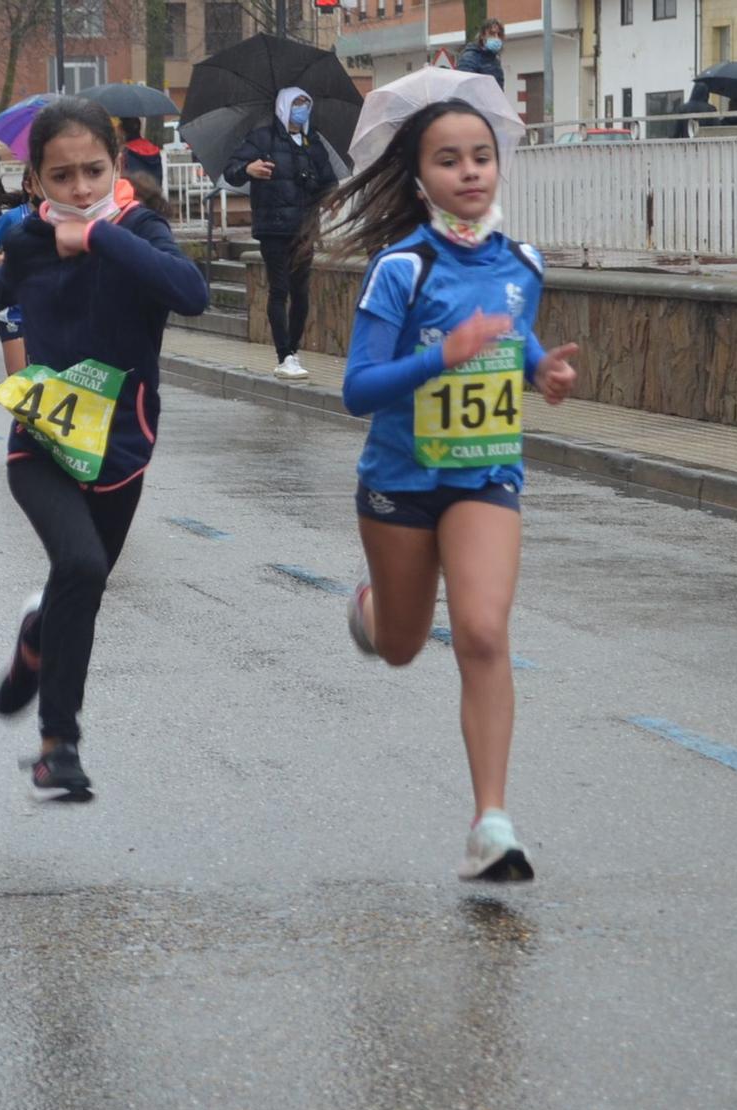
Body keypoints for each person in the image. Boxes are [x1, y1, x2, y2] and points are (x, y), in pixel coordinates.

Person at [0, 98, 208, 801]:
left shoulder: (140, 230)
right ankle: (57, 744)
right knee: (80, 562)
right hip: (39, 441)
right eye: (61, 176)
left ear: (117, 166)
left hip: (122, 448)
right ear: (35, 179)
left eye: (93, 172)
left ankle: (37, 636)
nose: (80, 190)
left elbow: (190, 294)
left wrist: (98, 238)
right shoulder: (31, 239)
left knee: (79, 590)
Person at [313, 98, 578, 883]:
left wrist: (543, 373)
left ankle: (490, 822)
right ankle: (371, 611)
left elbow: (517, 334)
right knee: (400, 645)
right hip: (399, 481)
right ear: (421, 178)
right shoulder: (402, 269)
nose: (469, 171)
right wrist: (443, 357)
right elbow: (358, 390)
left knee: (483, 633)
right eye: (449, 159)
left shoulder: (522, 263)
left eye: (481, 156)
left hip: (484, 474)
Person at [224, 87, 339, 382]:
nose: (302, 110)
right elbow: (232, 170)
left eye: (306, 104)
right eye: (297, 104)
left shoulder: (313, 144)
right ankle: (283, 355)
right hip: (273, 227)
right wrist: (249, 168)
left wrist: (332, 198)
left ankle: (294, 350)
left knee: (301, 292)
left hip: (305, 227)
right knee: (280, 289)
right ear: (284, 107)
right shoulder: (262, 138)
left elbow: (328, 181)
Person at [0, 178, 37, 376]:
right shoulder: (13, 218)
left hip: (48, 314)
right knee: (19, 386)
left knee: (45, 387)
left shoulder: (64, 219)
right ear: (29, 185)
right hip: (15, 314)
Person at [455, 19, 507, 89]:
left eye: (499, 35)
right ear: (482, 36)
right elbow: (465, 88)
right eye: (492, 33)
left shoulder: (495, 60)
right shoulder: (469, 59)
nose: (496, 38)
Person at [119, 117, 164, 188]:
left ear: (122, 131)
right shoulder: (153, 148)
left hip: (135, 195)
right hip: (154, 193)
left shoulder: (125, 152)